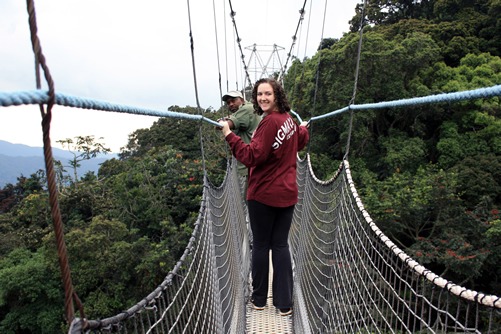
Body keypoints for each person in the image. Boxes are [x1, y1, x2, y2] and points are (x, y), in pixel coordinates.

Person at [218, 78, 309, 316]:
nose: (263, 98)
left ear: (277, 95)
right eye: (259, 94)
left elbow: (251, 156)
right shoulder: (289, 120)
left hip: (263, 194)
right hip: (287, 193)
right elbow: (300, 141)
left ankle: (259, 299)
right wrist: (304, 128)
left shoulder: (269, 123)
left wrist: (229, 134)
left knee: (260, 245)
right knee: (279, 245)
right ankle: (284, 304)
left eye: (267, 94)